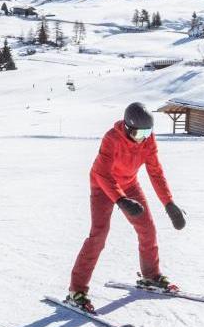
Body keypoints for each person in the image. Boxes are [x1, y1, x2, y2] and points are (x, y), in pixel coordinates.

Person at [65, 103, 187, 312]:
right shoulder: (112, 138)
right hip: (103, 185)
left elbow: (155, 172)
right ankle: (76, 291)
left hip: (129, 184)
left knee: (147, 229)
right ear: (129, 128)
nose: (145, 137)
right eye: (141, 132)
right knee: (99, 235)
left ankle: (150, 276)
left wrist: (169, 203)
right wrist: (121, 201)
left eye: (149, 132)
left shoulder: (148, 141)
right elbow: (102, 174)